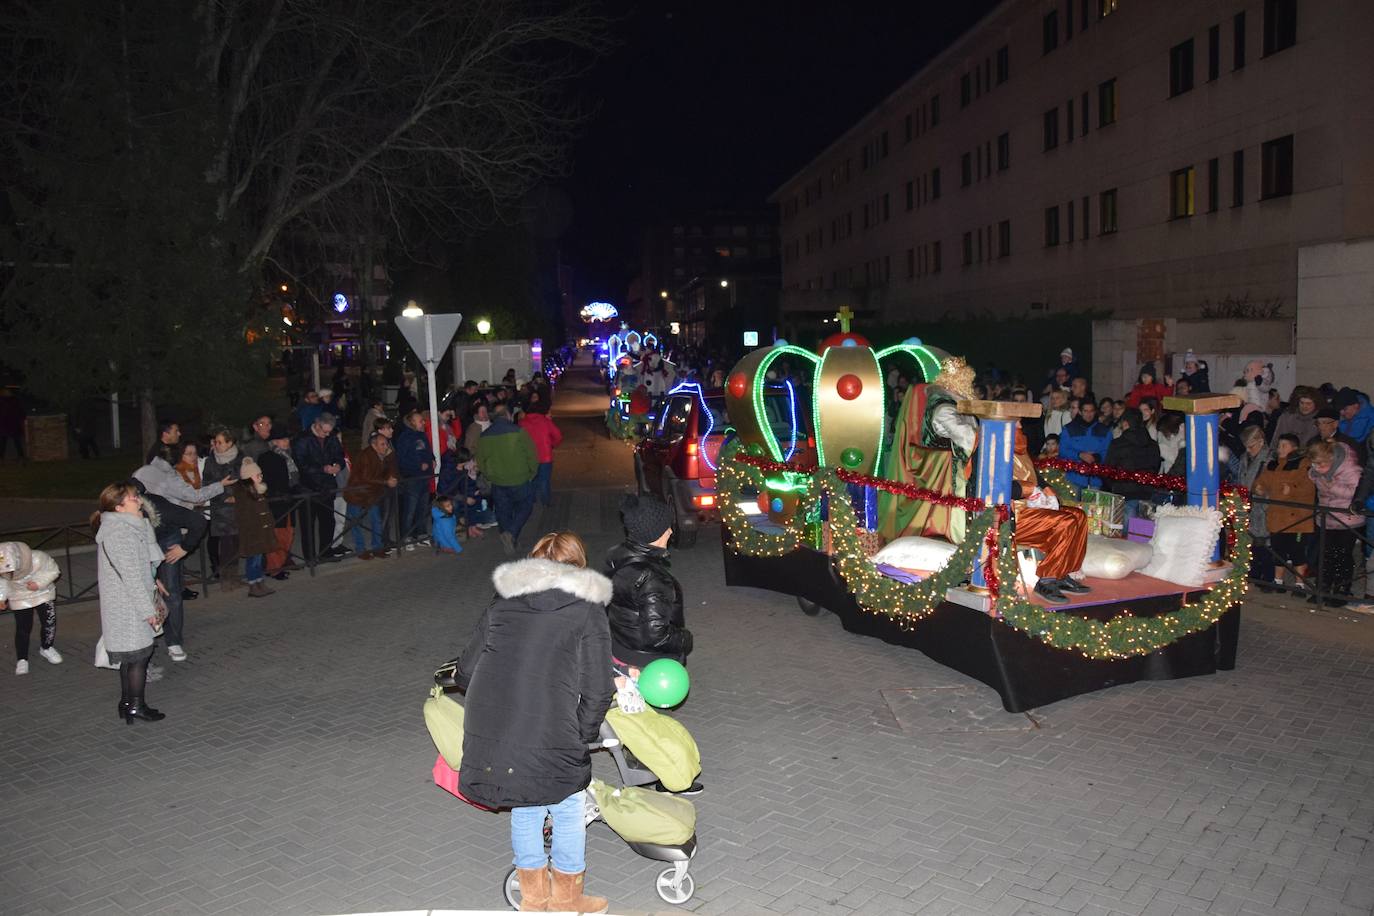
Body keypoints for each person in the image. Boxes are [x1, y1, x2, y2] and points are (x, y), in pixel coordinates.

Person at [453, 532, 614, 915]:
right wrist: (583, 734)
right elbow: (598, 688)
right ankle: (566, 900)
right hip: (549, 725)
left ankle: (534, 902)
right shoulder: (587, 608)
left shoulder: (502, 602)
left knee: (525, 805)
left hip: (494, 726)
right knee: (568, 804)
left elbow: (465, 671)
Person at [92, 482, 167, 724]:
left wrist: (141, 520)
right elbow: (132, 577)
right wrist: (148, 611)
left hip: (127, 602)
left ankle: (127, 703)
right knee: (138, 657)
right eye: (134, 498)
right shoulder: (120, 533)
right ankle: (136, 705)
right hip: (128, 606)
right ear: (118, 506)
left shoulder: (127, 527)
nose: (139, 500)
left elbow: (146, 564)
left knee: (131, 657)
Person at [605, 495, 693, 668]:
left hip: (621, 648)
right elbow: (656, 636)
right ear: (655, 533)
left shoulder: (615, 556)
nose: (671, 531)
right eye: (667, 527)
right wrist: (685, 639)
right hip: (647, 662)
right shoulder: (651, 578)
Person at [1009, 430, 1091, 605]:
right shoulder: (993, 451)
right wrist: (1029, 490)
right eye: (1017, 422)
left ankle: (1062, 573)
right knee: (1066, 522)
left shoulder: (1022, 452)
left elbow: (1037, 479)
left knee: (1079, 515)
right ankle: (1047, 579)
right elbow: (996, 487)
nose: (1021, 426)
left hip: (1033, 509)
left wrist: (1048, 492)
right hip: (1013, 515)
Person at [475, 402, 539, 556]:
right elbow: (532, 455)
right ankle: (511, 533)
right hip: (520, 478)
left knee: (503, 511)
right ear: (508, 415)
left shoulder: (484, 436)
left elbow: (481, 461)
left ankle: (510, 538)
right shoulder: (519, 432)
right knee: (525, 506)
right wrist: (531, 473)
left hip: (497, 481)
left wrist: (489, 476)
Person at [1255, 434, 1314, 591]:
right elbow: (1263, 480)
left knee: (1297, 553)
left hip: (1297, 519)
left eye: (1284, 446)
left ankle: (1300, 584)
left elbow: (1309, 487)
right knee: (1278, 551)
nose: (1280, 449)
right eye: (1279, 445)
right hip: (1277, 516)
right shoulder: (1273, 465)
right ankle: (1278, 581)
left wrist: (1292, 490)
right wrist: (1259, 487)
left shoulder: (1304, 464)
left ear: (1294, 448)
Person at [1307, 440, 1363, 607]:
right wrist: (1316, 474)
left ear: (1331, 458)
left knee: (1342, 555)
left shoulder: (1350, 468)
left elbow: (1356, 493)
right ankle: (1322, 589)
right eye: (1313, 464)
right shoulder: (1319, 469)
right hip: (1327, 517)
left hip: (1347, 520)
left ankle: (1341, 591)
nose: (1316, 467)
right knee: (1325, 555)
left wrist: (1333, 486)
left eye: (1319, 464)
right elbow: (1312, 475)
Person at [294, 412, 348, 562]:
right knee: (308, 525)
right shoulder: (303, 439)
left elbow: (339, 454)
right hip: (308, 488)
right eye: (325, 431)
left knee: (328, 521)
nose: (327, 434)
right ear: (317, 425)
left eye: (330, 431)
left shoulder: (331, 438)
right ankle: (310, 557)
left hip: (327, 486)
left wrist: (338, 465)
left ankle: (326, 551)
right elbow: (301, 464)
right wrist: (322, 469)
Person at [1, 542, 62, 675]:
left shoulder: (38, 557)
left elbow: (53, 570)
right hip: (19, 596)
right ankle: (22, 659)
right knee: (23, 627)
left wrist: (38, 583)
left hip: (43, 593)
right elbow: (3, 582)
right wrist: (1, 598)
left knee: (49, 622)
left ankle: (46, 647)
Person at [203, 428, 246, 591]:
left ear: (230, 443)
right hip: (221, 509)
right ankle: (226, 580)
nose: (216, 445)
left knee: (236, 544)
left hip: (238, 507)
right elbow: (206, 484)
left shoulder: (241, 458)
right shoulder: (210, 461)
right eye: (215, 441)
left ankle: (234, 577)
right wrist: (222, 496)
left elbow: (246, 481)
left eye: (220, 442)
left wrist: (239, 496)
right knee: (226, 545)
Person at [344, 430, 397, 559]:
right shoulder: (366, 456)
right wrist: (386, 481)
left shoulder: (383, 455)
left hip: (372, 493)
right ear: (374, 445)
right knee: (356, 523)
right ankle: (361, 549)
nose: (386, 447)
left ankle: (377, 547)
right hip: (357, 493)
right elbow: (366, 477)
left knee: (376, 520)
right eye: (383, 444)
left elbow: (389, 471)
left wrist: (390, 461)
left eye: (386, 444)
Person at [258, 424, 301, 578]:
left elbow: (293, 479)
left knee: (288, 534)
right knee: (277, 536)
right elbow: (265, 481)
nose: (287, 441)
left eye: (287, 439)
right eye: (283, 439)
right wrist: (277, 493)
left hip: (288, 502)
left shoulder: (288, 456)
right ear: (275, 442)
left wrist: (298, 490)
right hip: (275, 504)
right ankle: (273, 568)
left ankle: (281, 562)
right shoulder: (267, 458)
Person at [1105, 408, 1162, 518]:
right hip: (1147, 493)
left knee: (1126, 531)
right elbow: (1156, 466)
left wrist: (1114, 486)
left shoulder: (1118, 444)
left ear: (1125, 423)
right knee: (1142, 531)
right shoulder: (1153, 445)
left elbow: (1108, 469)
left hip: (1124, 492)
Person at [233, 458, 278, 598]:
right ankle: (253, 584)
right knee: (253, 561)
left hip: (261, 532)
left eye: (261, 474)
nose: (261, 477)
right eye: (258, 475)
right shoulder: (245, 494)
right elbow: (245, 516)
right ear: (249, 477)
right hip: (252, 533)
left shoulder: (257, 490)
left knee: (259, 559)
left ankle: (260, 582)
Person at [394, 410, 434, 548]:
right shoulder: (405, 437)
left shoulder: (422, 435)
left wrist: (432, 459)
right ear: (412, 423)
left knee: (422, 508)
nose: (423, 422)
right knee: (410, 509)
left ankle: (421, 533)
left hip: (424, 477)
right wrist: (417, 465)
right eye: (420, 420)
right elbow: (401, 459)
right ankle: (407, 536)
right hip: (412, 478)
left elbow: (427, 451)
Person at [1058, 399, 1112, 488]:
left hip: (1095, 480)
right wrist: (1079, 455)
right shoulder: (1069, 429)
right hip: (1073, 479)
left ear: (1095, 412)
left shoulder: (1104, 431)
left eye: (1091, 411)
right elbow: (1063, 451)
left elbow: (1108, 451)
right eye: (1085, 411)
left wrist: (1097, 457)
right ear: (1080, 412)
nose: (1089, 414)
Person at [520, 401, 563, 507]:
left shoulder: (522, 423)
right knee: (544, 480)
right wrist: (552, 445)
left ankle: (532, 499)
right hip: (545, 455)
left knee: (531, 478)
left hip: (529, 457)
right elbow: (558, 436)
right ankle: (546, 501)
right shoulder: (545, 421)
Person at [0, 387, 26, 462]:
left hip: (9, 424)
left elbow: (21, 412)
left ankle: (20, 456)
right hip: (9, 424)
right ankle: (20, 456)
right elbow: (21, 412)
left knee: (11, 441)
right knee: (5, 442)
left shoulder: (12, 401)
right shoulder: (14, 401)